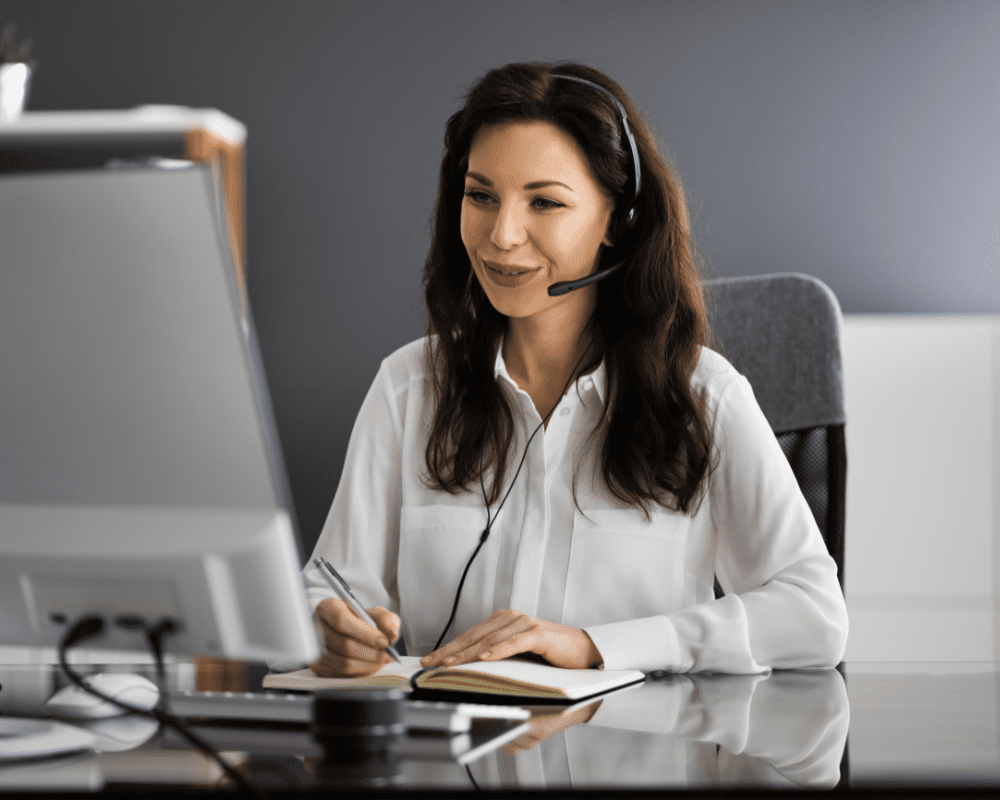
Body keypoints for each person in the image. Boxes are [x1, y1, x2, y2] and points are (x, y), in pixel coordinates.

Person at [303, 61, 848, 678]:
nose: (501, 236)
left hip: (636, 754)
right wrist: (326, 627)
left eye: (545, 202)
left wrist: (595, 647)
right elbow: (329, 589)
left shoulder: (704, 397)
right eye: (481, 196)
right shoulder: (410, 388)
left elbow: (815, 615)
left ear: (620, 220)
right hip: (457, 760)